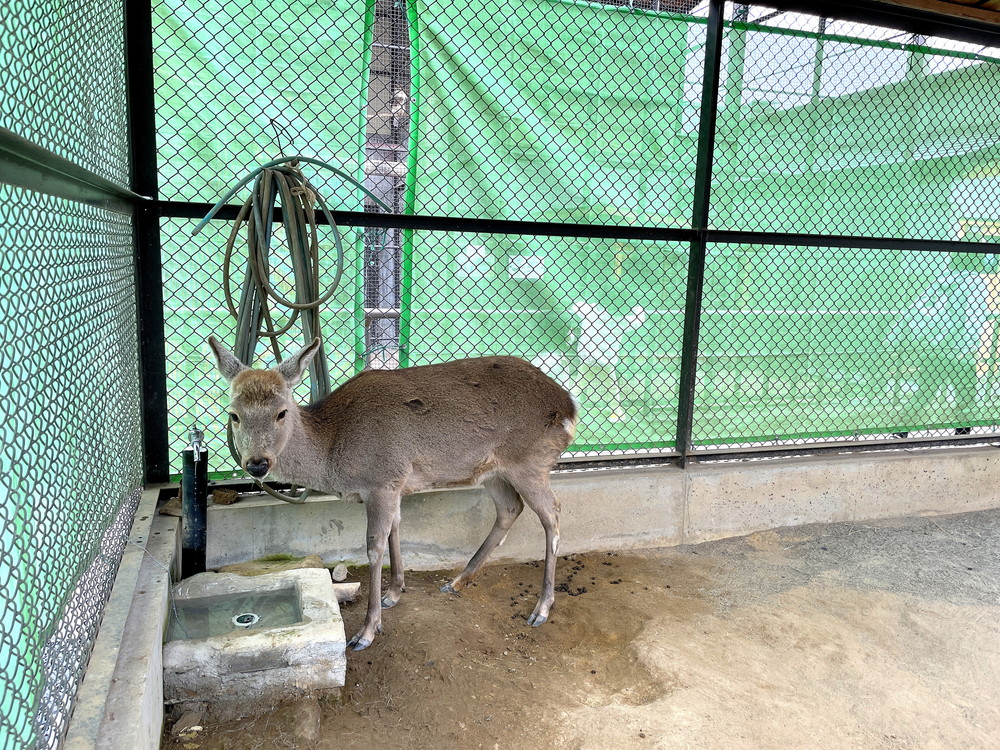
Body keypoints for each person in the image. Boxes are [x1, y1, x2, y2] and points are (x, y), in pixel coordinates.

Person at [886, 252, 995, 436]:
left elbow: (917, 309)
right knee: (966, 395)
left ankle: (901, 430)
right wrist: (970, 346)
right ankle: (962, 434)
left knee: (924, 393)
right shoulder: (975, 282)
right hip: (959, 350)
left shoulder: (942, 279)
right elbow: (973, 316)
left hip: (933, 347)